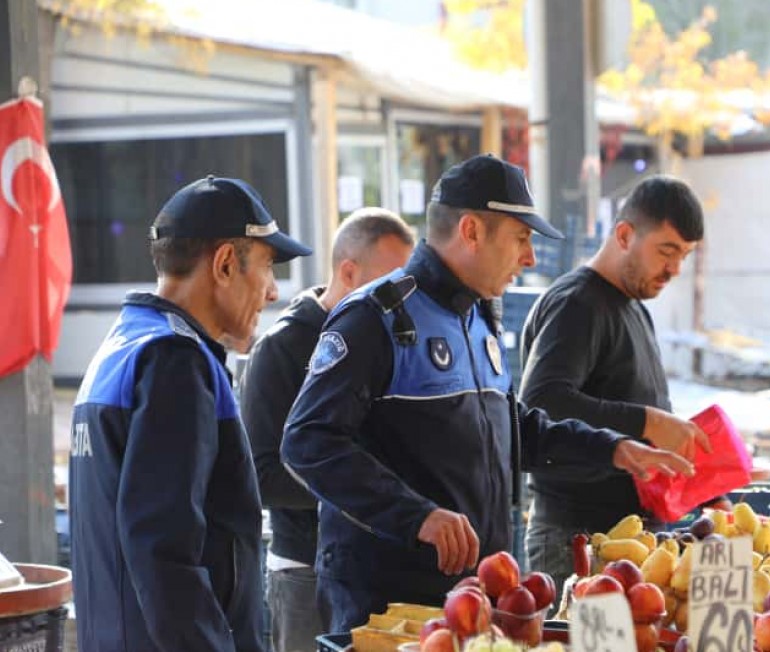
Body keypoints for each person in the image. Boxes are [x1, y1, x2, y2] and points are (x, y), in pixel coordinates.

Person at [281, 154, 697, 632]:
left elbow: (515, 429)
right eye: (521, 238)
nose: (531, 258)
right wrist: (417, 516)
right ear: (472, 230)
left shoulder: (480, 318)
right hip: (389, 605)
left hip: (476, 597)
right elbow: (308, 441)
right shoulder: (375, 317)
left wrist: (613, 448)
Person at [69, 175, 312, 652]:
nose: (270, 292)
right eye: (266, 268)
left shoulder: (123, 346)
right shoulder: (176, 362)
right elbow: (163, 550)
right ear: (224, 264)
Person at [519, 174, 711, 595]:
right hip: (578, 541)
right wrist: (645, 421)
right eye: (667, 251)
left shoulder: (633, 306)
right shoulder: (577, 305)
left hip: (634, 542)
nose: (676, 269)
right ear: (625, 234)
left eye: (685, 255)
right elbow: (540, 404)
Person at [239, 208, 414, 652]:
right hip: (305, 569)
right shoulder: (281, 349)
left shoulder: (394, 340)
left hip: (382, 561)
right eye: (391, 285)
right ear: (349, 272)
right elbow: (261, 476)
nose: (404, 300)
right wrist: (366, 491)